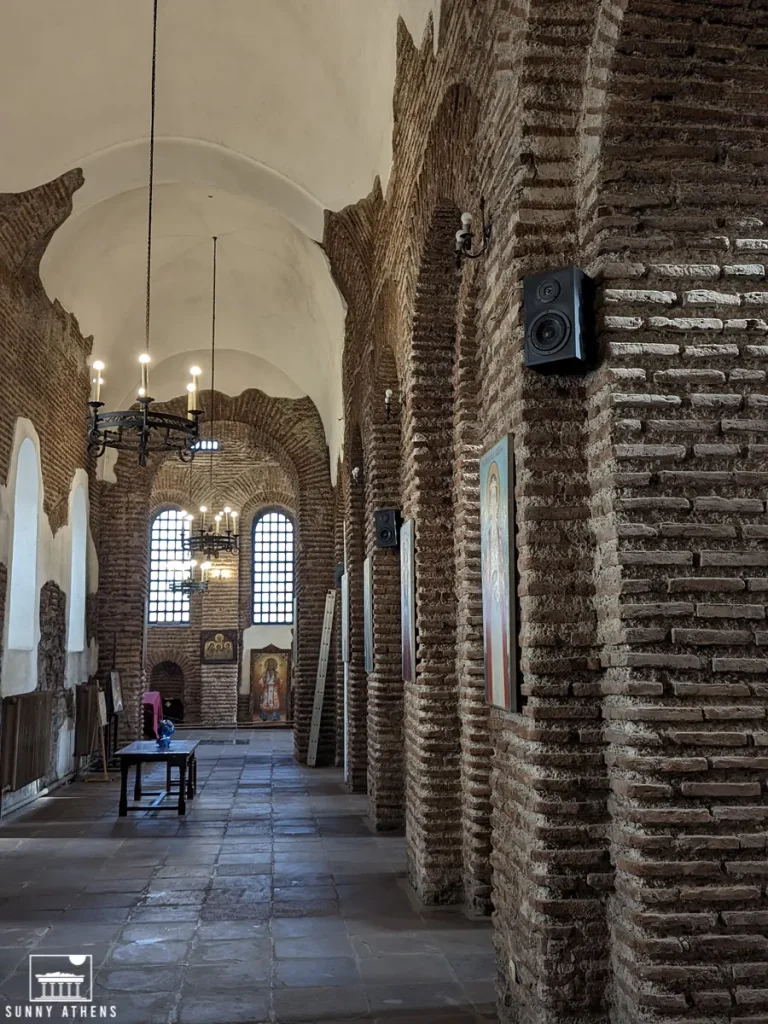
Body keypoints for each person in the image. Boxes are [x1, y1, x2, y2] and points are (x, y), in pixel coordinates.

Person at [483, 461, 509, 708]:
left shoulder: (499, 530)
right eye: (488, 496)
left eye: (494, 496)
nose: (492, 501)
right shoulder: (488, 529)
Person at [257, 657, 282, 722]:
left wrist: (278, 682)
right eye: (269, 665)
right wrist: (263, 683)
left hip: (274, 690)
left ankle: (275, 717)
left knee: (275, 703)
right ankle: (264, 717)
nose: (271, 666)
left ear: (274, 666)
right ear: (267, 665)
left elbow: (280, 681)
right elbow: (261, 681)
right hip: (266, 689)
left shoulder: (276, 673)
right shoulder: (264, 673)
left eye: (272, 665)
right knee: (265, 702)